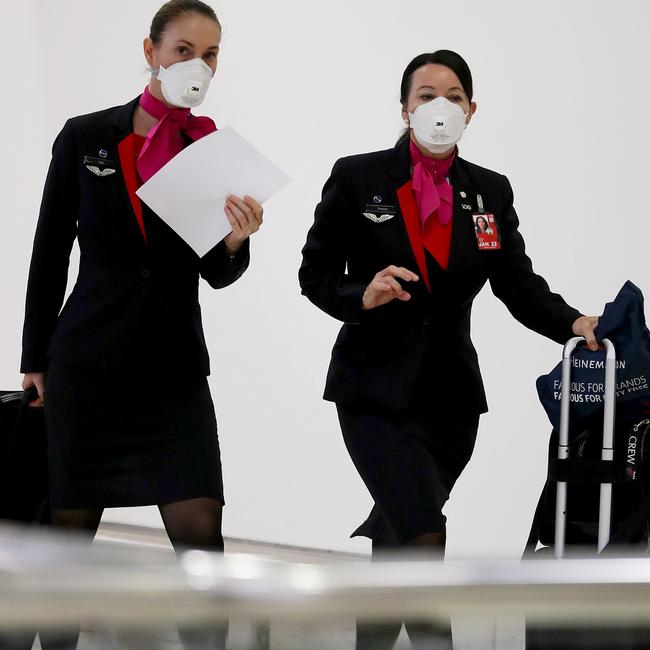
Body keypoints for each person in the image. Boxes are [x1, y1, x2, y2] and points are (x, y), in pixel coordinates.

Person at [299, 50, 598, 649]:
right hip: (374, 394)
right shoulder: (358, 177)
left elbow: (517, 282)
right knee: (423, 538)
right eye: (426, 95)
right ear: (405, 107)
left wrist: (574, 321)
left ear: (472, 109)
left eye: (454, 96)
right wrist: (365, 294)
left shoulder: (489, 192)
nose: (441, 107)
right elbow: (315, 275)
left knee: (400, 544)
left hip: (450, 405)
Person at [20, 1, 262, 647]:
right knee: (67, 548)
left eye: (210, 54)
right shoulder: (86, 135)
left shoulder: (212, 148)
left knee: (201, 539)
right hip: (88, 365)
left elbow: (218, 272)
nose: (198, 65)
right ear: (152, 51)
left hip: (173, 370)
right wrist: (34, 359)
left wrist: (237, 241)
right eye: (184, 49)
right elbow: (49, 252)